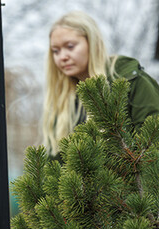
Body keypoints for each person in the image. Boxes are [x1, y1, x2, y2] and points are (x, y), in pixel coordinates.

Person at [42, 10, 159, 156]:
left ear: (92, 43)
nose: (62, 57)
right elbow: (56, 163)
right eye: (55, 51)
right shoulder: (63, 100)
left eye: (70, 46)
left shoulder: (131, 80)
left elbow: (153, 139)